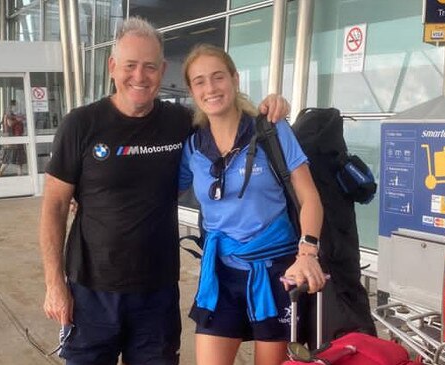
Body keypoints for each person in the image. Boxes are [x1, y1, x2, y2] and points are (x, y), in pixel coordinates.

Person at [39, 17, 289, 365]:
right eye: (130, 66)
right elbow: (53, 206)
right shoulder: (81, 124)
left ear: (162, 70)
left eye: (150, 67)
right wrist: (55, 285)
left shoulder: (180, 123)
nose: (139, 77)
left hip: (157, 296)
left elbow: (222, 109)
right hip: (90, 292)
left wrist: (270, 106)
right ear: (112, 67)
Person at [178, 44, 326, 365]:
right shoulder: (193, 146)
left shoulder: (271, 130)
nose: (211, 88)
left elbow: (310, 197)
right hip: (221, 271)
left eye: (218, 77)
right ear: (191, 90)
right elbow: (154, 191)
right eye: (200, 81)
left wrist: (307, 253)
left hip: (278, 272)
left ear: (234, 78)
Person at [0, 100, 27, 177]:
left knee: (19, 158)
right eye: (15, 106)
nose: (16, 107)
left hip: (17, 138)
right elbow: (10, 123)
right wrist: (18, 120)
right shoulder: (8, 115)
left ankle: (20, 174)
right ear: (11, 106)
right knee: (9, 156)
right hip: (12, 139)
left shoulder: (13, 115)